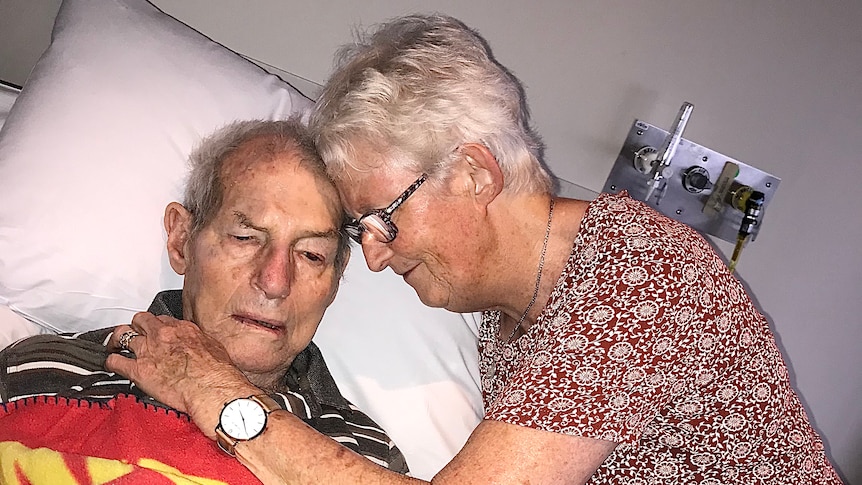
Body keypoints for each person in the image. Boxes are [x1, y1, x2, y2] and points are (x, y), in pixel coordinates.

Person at [105, 14, 842, 484]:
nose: (375, 255)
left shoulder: (635, 277)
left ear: (474, 173)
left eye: (382, 218)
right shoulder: (510, 312)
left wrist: (217, 392)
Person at [0, 119, 408, 480]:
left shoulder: (362, 455)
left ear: (335, 281)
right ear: (181, 241)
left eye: (312, 255)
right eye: (245, 238)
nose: (275, 282)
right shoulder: (37, 373)